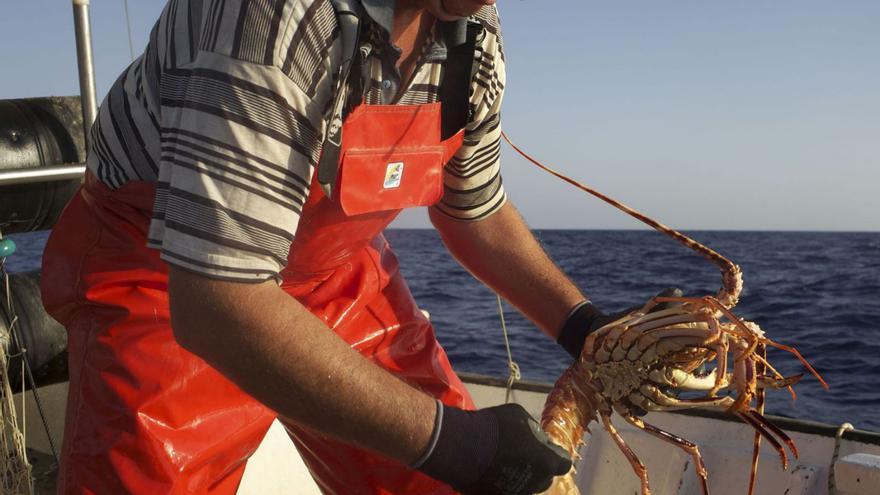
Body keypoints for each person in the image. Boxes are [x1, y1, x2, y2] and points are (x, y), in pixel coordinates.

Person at [40, 0, 662, 493]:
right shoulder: (273, 15)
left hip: (334, 272)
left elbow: (472, 204)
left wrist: (587, 330)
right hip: (165, 274)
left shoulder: (471, 29)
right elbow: (214, 300)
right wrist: (457, 445)